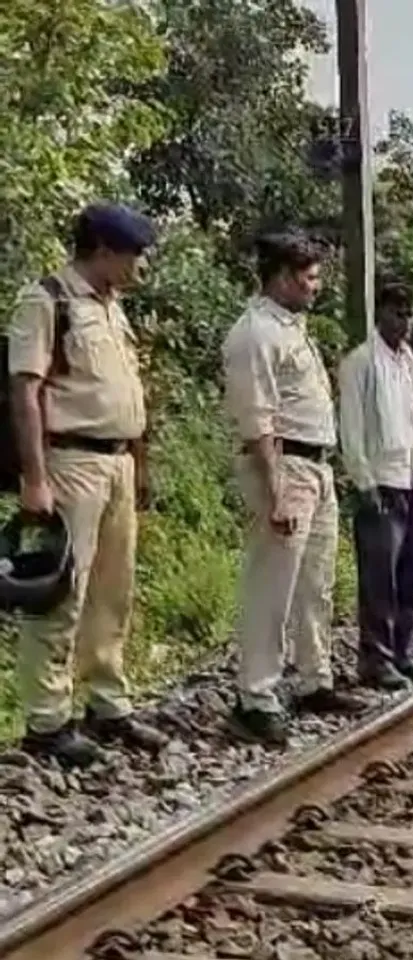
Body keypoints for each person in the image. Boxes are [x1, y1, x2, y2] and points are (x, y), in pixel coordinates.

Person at [8, 202, 168, 766]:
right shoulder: (48, 300)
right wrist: (34, 479)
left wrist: (139, 466)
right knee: (60, 593)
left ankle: (107, 700)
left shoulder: (111, 307)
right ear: (102, 250)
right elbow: (25, 393)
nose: (140, 265)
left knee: (112, 591)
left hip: (116, 461)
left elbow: (127, 390)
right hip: (70, 462)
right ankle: (48, 720)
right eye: (134, 254)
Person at [221, 230, 365, 746]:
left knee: (314, 582)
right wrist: (276, 490)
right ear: (282, 277)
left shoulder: (292, 328)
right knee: (273, 585)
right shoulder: (256, 333)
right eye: (309, 277)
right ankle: (255, 696)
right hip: (285, 466)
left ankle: (313, 677)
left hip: (315, 466)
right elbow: (257, 421)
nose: (316, 287)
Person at [338, 279, 413, 690]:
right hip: (382, 483)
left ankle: (403, 651)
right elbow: (351, 428)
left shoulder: (410, 364)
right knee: (379, 579)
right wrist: (363, 481)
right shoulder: (361, 362)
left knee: (412, 576)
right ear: (381, 313)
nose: (404, 322)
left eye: (409, 314)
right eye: (396, 313)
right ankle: (376, 658)